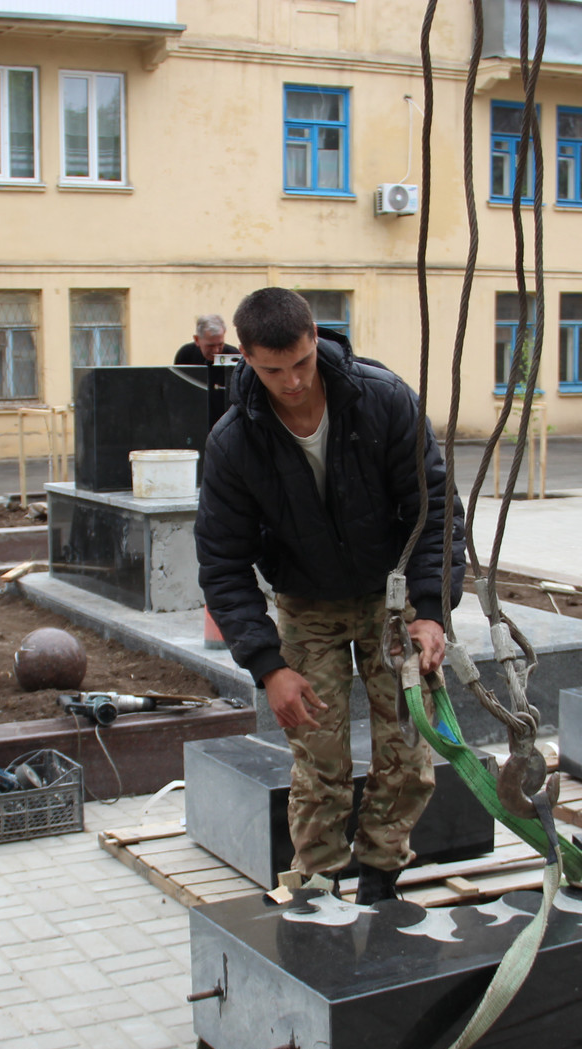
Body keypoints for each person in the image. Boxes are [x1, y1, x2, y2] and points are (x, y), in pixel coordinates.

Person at [195, 288, 462, 904]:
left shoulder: (383, 400)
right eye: (273, 370)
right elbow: (223, 564)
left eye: (301, 363)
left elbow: (435, 511)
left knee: (408, 747)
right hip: (307, 606)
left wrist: (430, 612)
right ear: (245, 357)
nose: (292, 382)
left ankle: (380, 877)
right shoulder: (234, 442)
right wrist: (269, 668)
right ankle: (318, 885)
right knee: (318, 757)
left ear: (316, 337)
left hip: (392, 601)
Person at [173, 314, 240, 366]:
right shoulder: (186, 355)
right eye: (210, 346)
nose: (216, 351)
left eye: (220, 344)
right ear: (197, 340)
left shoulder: (234, 355)